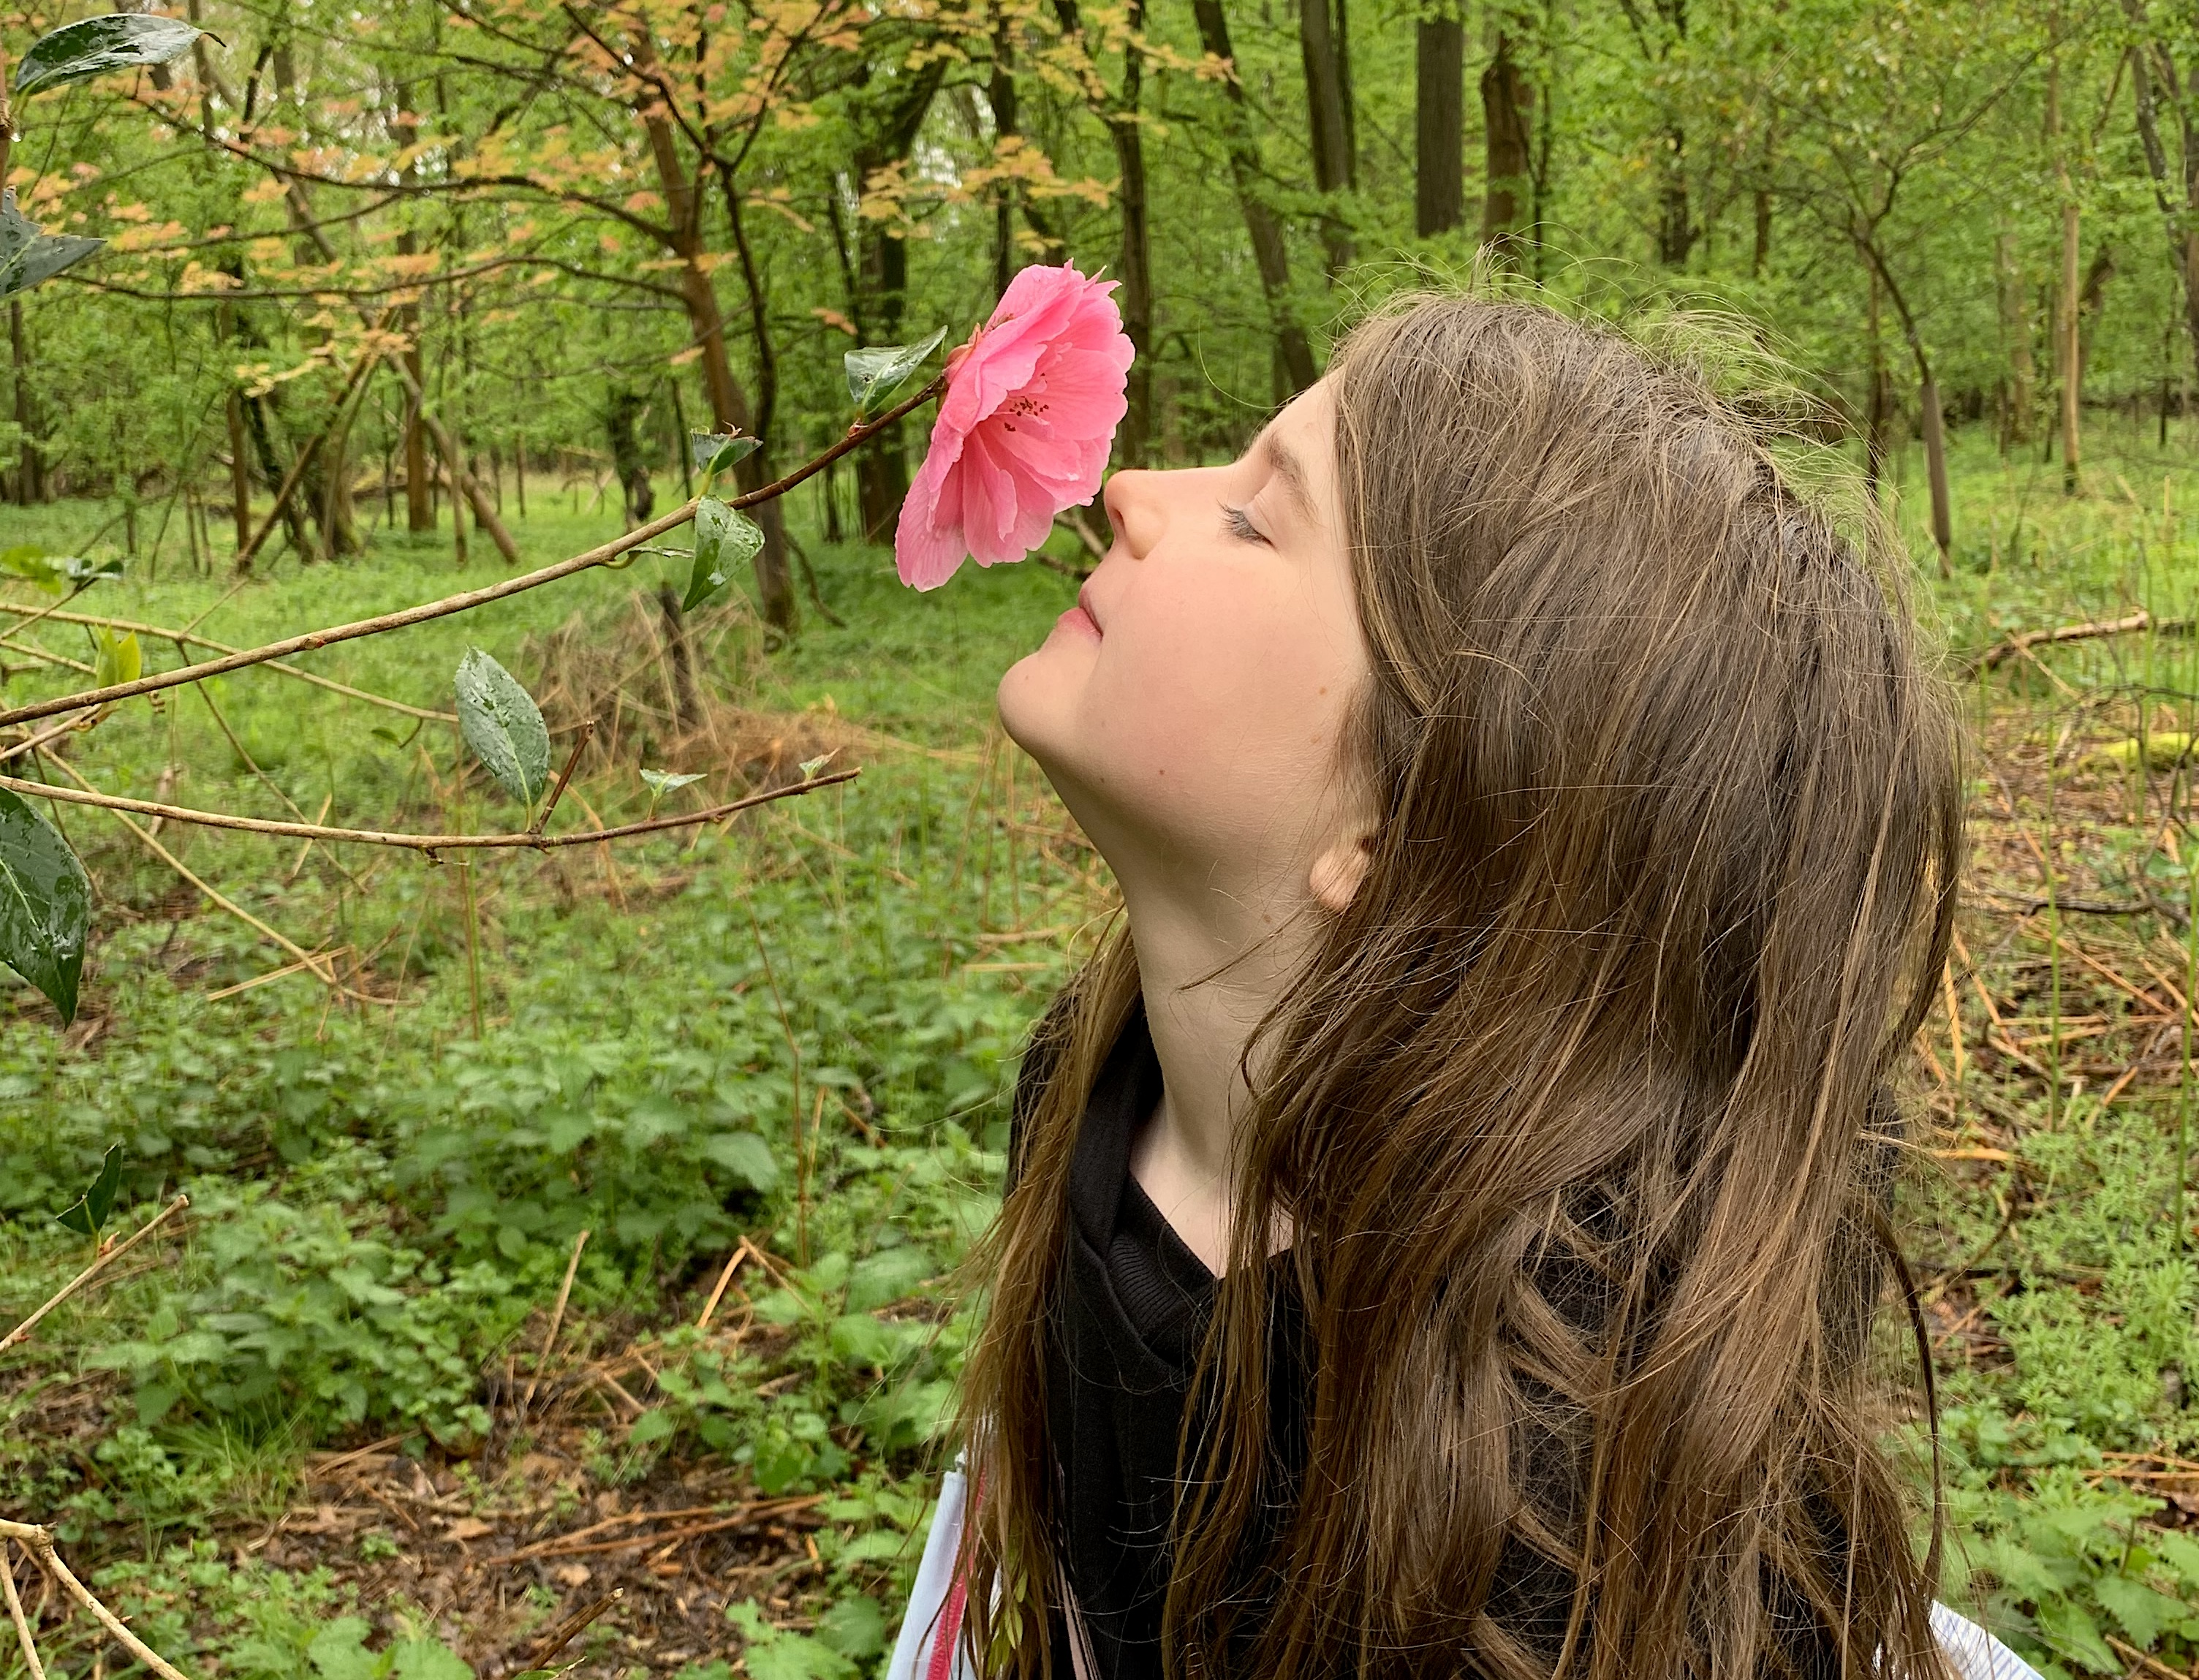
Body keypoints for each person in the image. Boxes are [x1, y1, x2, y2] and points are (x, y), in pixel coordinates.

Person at [886, 296, 2036, 1680]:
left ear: (1399, 830)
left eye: (1258, 518)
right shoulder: (1093, 1072)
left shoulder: (1539, 1490)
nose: (1133, 491)